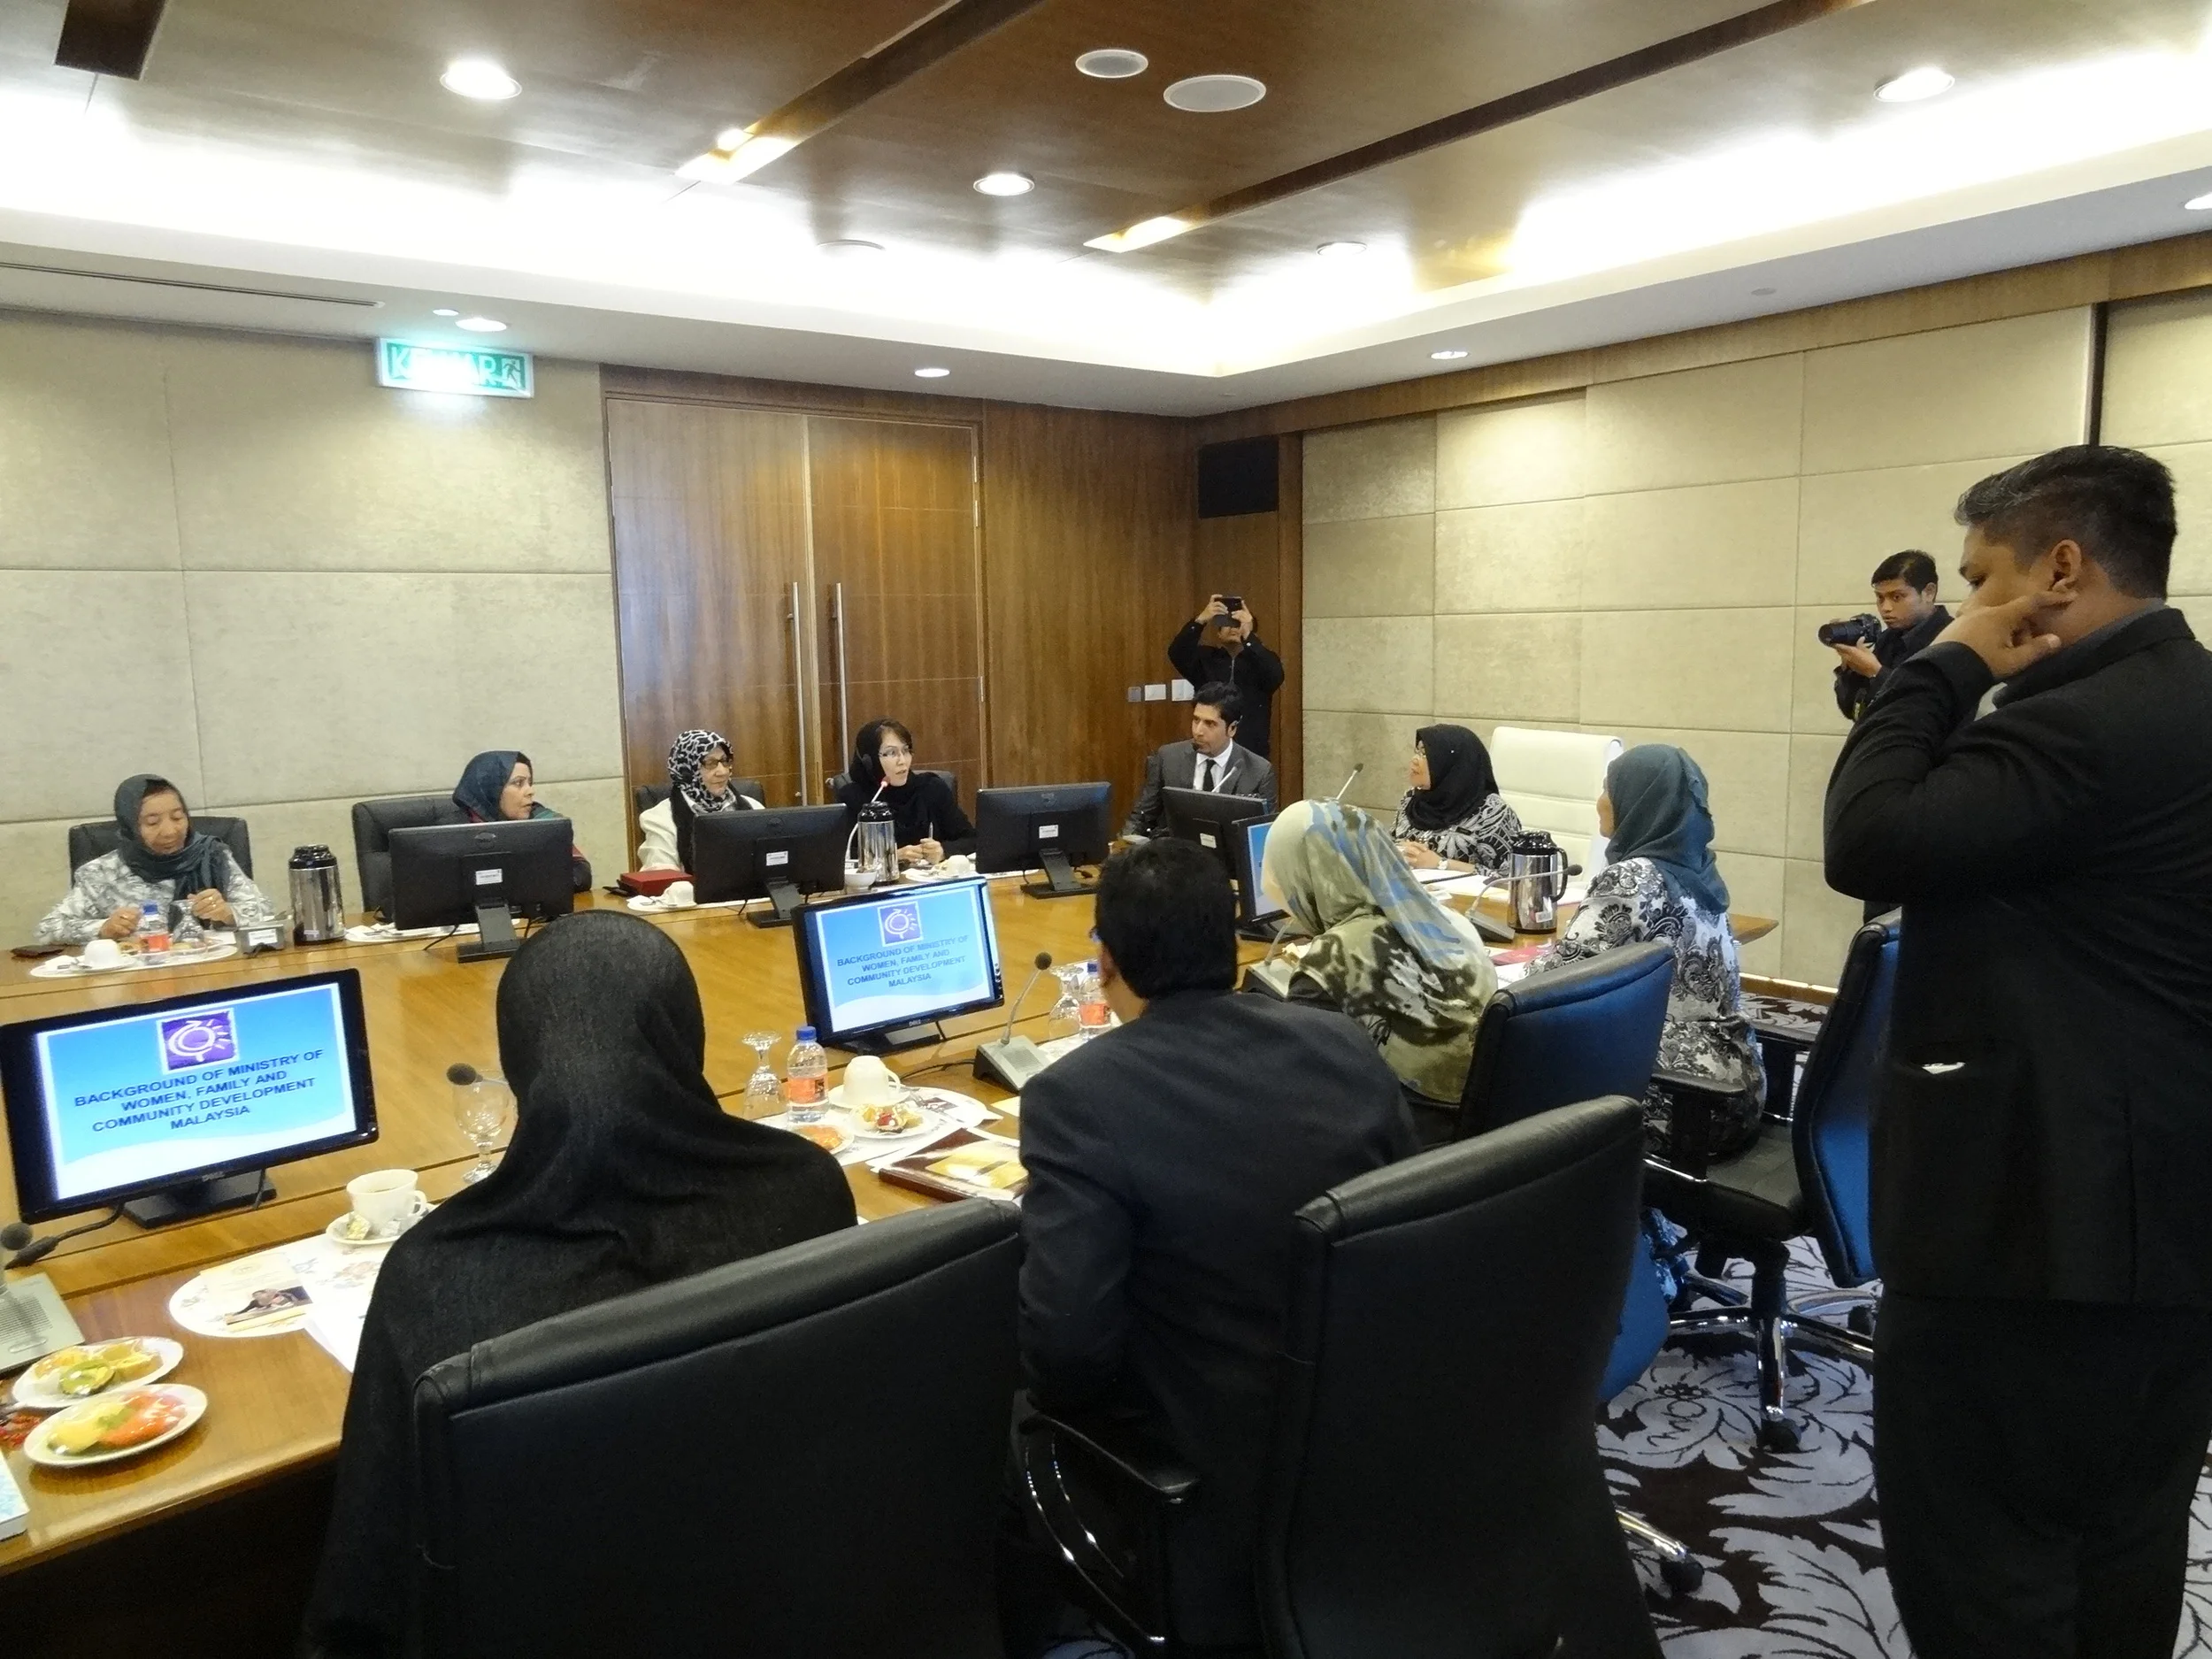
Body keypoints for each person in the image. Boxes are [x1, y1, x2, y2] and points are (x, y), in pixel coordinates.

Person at [1824, 444, 2212, 1659]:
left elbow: (1869, 835)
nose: (1968, 605)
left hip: (2035, 1236)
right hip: (2163, 1224)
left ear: (2062, 566)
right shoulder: (2190, 695)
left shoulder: (2088, 722)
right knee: (2124, 1534)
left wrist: (1935, 663)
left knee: (1988, 1564)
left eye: (1981, 580)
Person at [300, 911, 856, 1659]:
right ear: (682, 1038)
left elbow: (369, 1580)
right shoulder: (805, 1188)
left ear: (519, 1061)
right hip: (806, 1606)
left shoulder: (433, 1271)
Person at [1014, 838, 1417, 1650]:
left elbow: (1067, 1358)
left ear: (1106, 960)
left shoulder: (1075, 1098)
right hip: (1381, 1421)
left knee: (1003, 1399)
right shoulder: (1342, 1043)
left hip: (1221, 1465)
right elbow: (1412, 1228)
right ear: (1234, 941)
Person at [1523, 746, 1763, 1159]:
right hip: (1736, 1087)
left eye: (1607, 789)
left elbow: (1546, 984)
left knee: (1512, 1060)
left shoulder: (1635, 877)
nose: (1599, 801)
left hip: (1677, 1098)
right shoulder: (1697, 869)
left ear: (1639, 800)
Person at [1263, 799, 1498, 1133]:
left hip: (1407, 1140)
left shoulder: (1335, 957)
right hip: (1481, 1123)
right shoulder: (1449, 921)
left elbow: (1297, 1084)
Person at [35, 774, 273, 946]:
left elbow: (266, 911)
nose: (170, 831)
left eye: (177, 817)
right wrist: (102, 928)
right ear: (130, 826)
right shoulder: (103, 873)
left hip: (214, 975)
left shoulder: (212, 856)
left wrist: (228, 912)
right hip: (139, 987)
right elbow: (48, 929)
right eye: (152, 823)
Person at [1121, 682, 1279, 839]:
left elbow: (1264, 836)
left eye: (1210, 724)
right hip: (1178, 854)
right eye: (1196, 720)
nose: (1198, 731)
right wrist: (1123, 849)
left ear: (1232, 728)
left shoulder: (1258, 771)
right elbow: (1142, 817)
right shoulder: (1168, 758)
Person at [1830, 549, 1953, 721]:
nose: (1885, 608)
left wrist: (1875, 672)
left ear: (1929, 592)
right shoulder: (1887, 639)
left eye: (1897, 597)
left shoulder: (1952, 639)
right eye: (1880, 598)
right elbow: (1852, 710)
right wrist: (1849, 666)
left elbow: (1926, 710)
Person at [834, 718, 975, 864]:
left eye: (906, 750)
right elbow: (841, 855)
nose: (902, 761)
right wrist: (891, 856)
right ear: (868, 761)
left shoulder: (931, 788)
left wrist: (944, 851)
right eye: (891, 753)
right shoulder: (853, 797)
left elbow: (972, 839)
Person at [1392, 723, 1524, 873]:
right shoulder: (1411, 799)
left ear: (1451, 764)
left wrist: (1441, 864)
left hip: (1468, 896)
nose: (1415, 760)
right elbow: (1390, 846)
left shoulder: (1492, 812)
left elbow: (1510, 878)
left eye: (1425, 754)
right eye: (1417, 752)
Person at [451, 749, 591, 892]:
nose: (530, 791)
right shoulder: (453, 830)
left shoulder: (542, 822)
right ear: (491, 788)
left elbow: (581, 873)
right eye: (518, 783)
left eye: (529, 783)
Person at [1169, 595, 1286, 758]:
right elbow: (1177, 653)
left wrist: (1249, 637)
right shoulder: (1206, 659)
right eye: (1227, 623)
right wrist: (1201, 620)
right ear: (1218, 633)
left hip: (1250, 747)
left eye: (1239, 624)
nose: (1233, 628)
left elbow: (1276, 677)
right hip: (1209, 745)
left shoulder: (1261, 660)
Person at [636, 728, 761, 870]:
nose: (723, 772)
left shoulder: (754, 807)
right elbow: (661, 878)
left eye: (725, 761)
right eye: (710, 763)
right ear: (687, 769)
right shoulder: (660, 819)